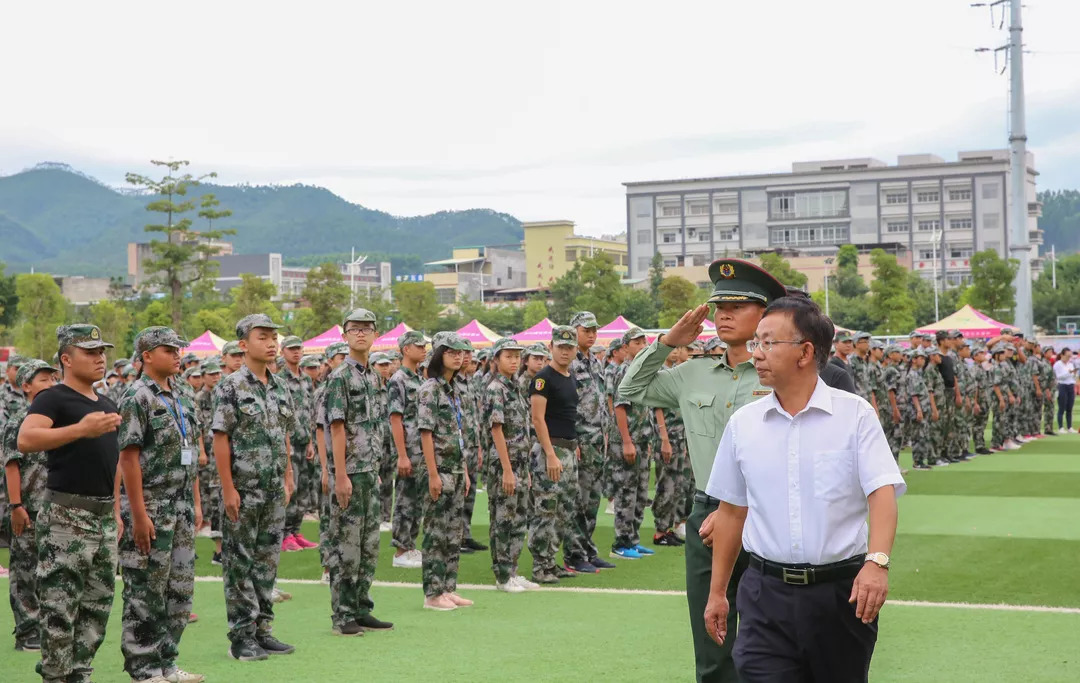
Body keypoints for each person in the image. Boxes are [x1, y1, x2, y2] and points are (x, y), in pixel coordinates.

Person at [703, 295, 905, 683]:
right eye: (755, 342)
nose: (755, 353)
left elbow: (881, 492)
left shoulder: (855, 416)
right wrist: (718, 594)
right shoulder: (744, 424)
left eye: (767, 342)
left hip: (839, 597)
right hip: (764, 596)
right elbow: (730, 512)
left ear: (805, 351)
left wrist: (876, 563)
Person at [618, 258, 787, 683]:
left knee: (772, 631)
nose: (723, 314)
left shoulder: (785, 373)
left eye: (738, 306)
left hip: (771, 512)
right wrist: (665, 342)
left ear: (765, 314)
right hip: (708, 511)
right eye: (718, 307)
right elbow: (629, 389)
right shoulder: (692, 373)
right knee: (711, 634)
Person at [18, 324, 122, 683]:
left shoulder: (106, 403)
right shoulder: (53, 398)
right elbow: (27, 439)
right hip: (67, 515)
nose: (99, 357)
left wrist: (118, 511)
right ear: (66, 358)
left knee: (97, 606)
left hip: (103, 516)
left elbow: (115, 461)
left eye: (101, 351)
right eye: (90, 352)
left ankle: (79, 673)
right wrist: (80, 429)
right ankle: (56, 676)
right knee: (60, 607)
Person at [116, 327, 205, 683]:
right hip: (151, 505)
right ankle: (144, 667)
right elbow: (129, 458)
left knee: (179, 592)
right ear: (147, 356)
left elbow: (192, 452)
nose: (177, 354)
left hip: (180, 505)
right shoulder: (136, 395)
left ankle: (168, 662)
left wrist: (196, 504)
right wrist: (138, 515)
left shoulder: (180, 393)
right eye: (168, 350)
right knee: (145, 592)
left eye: (178, 349)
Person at [211, 314, 296, 661]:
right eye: (263, 337)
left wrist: (288, 474)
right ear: (244, 345)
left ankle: (263, 630)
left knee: (266, 562)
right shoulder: (230, 386)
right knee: (239, 564)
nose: (272, 343)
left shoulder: (279, 385)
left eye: (274, 337)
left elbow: (284, 433)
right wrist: (228, 489)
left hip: (273, 488)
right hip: (243, 490)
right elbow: (220, 438)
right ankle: (241, 637)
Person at [324, 308, 394, 635]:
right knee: (346, 547)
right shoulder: (339, 377)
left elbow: (375, 426)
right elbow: (336, 428)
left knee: (369, 545)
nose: (361, 334)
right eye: (355, 329)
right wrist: (340, 475)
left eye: (367, 328)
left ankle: (361, 606)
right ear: (345, 336)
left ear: (375, 334)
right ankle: (342, 615)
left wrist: (375, 467)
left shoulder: (374, 376)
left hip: (369, 470)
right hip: (350, 472)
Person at [417, 332, 475, 610]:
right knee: (436, 532)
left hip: (454, 468)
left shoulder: (452, 389)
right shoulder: (430, 389)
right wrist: (432, 473)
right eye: (451, 351)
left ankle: (448, 588)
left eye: (461, 352)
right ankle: (432, 593)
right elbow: (426, 433)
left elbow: (456, 433)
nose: (458, 355)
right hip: (438, 468)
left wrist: (463, 467)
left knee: (453, 533)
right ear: (440, 355)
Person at [3, 359, 57, 652]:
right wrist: (16, 506)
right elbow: (11, 466)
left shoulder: (58, 419)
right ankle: (27, 630)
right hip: (28, 507)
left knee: (52, 570)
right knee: (25, 570)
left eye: (52, 379)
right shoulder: (18, 420)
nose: (50, 385)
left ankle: (49, 627)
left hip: (55, 506)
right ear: (26, 386)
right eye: (43, 380)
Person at [528, 325, 581, 584]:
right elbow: (538, 419)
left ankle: (551, 560)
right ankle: (540, 566)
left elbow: (569, 415)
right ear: (551, 347)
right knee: (546, 509)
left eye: (570, 348)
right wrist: (550, 454)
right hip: (552, 451)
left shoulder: (570, 376)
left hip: (568, 450)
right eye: (561, 347)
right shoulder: (543, 378)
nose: (565, 352)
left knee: (565, 510)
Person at [483, 337, 536, 592]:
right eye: (508, 356)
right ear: (496, 360)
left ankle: (513, 570)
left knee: (518, 519)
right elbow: (496, 431)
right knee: (503, 520)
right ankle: (502, 575)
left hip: (520, 463)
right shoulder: (496, 388)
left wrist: (523, 470)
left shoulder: (515, 387)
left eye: (517, 356)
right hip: (505, 463)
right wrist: (506, 469)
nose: (514, 360)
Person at [566, 311, 616, 573]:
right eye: (586, 329)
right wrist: (573, 442)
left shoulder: (594, 361)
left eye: (594, 329)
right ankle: (574, 553)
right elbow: (568, 405)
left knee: (593, 498)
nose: (592, 334)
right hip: (581, 440)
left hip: (598, 439)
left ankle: (587, 549)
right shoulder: (570, 363)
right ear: (574, 330)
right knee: (579, 500)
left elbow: (599, 400)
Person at [610, 327, 663, 560]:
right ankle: (621, 544)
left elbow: (647, 407)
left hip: (642, 439)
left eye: (644, 341)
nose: (642, 345)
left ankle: (633, 539)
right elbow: (620, 408)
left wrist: (648, 438)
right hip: (628, 440)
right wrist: (627, 441)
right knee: (626, 492)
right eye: (637, 342)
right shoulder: (625, 371)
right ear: (625, 348)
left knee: (641, 493)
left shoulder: (642, 371)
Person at [389, 331, 428, 569]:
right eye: (419, 346)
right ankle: (401, 550)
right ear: (406, 349)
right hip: (409, 450)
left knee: (417, 501)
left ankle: (411, 545)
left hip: (421, 449)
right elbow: (395, 419)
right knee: (405, 499)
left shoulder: (419, 379)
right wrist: (402, 455)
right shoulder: (399, 380)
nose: (424, 350)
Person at [278, 336, 319, 553]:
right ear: (282, 352)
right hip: (289, 442)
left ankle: (296, 530)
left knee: (304, 488)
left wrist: (311, 441)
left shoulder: (305, 379)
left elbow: (309, 412)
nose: (295, 353)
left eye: (298, 349)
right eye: (291, 349)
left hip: (305, 441)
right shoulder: (279, 379)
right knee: (290, 489)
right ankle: (284, 534)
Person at [195, 360, 224, 563]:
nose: (215, 377)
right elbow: (198, 428)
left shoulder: (222, 393)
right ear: (204, 375)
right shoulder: (199, 398)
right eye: (211, 374)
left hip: (220, 452)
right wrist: (202, 451)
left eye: (217, 373)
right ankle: (217, 547)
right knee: (209, 493)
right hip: (207, 451)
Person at [371, 352, 396, 532]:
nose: (385, 368)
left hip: (390, 443)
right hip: (374, 443)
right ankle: (376, 517)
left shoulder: (390, 389)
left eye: (387, 365)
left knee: (388, 480)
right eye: (381, 365)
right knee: (376, 481)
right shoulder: (369, 390)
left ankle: (387, 516)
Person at [1054, 348, 1076, 432]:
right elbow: (1058, 377)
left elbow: (1072, 376)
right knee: (1061, 407)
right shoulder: (1057, 364)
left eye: (1070, 356)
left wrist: (1073, 375)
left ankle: (1069, 427)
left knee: (1069, 407)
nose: (1068, 358)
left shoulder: (1070, 364)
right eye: (1067, 356)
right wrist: (1068, 373)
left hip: (1070, 385)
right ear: (1062, 355)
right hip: (1062, 385)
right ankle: (1061, 427)